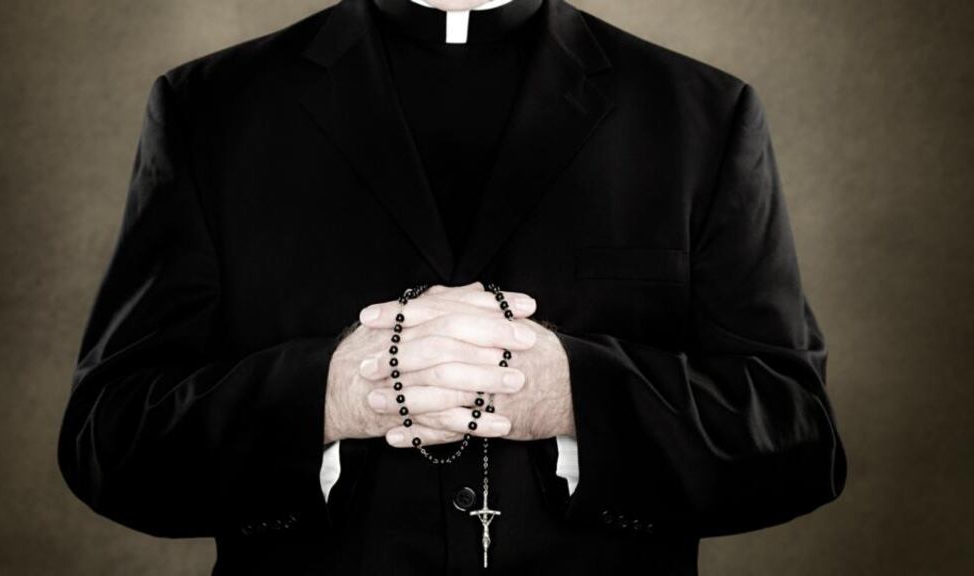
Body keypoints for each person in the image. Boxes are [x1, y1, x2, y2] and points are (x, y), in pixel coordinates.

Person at [56, 0, 848, 574]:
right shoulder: (211, 108)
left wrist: (573, 393)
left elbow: (798, 437)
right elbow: (109, 440)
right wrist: (331, 395)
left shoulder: (702, 113)